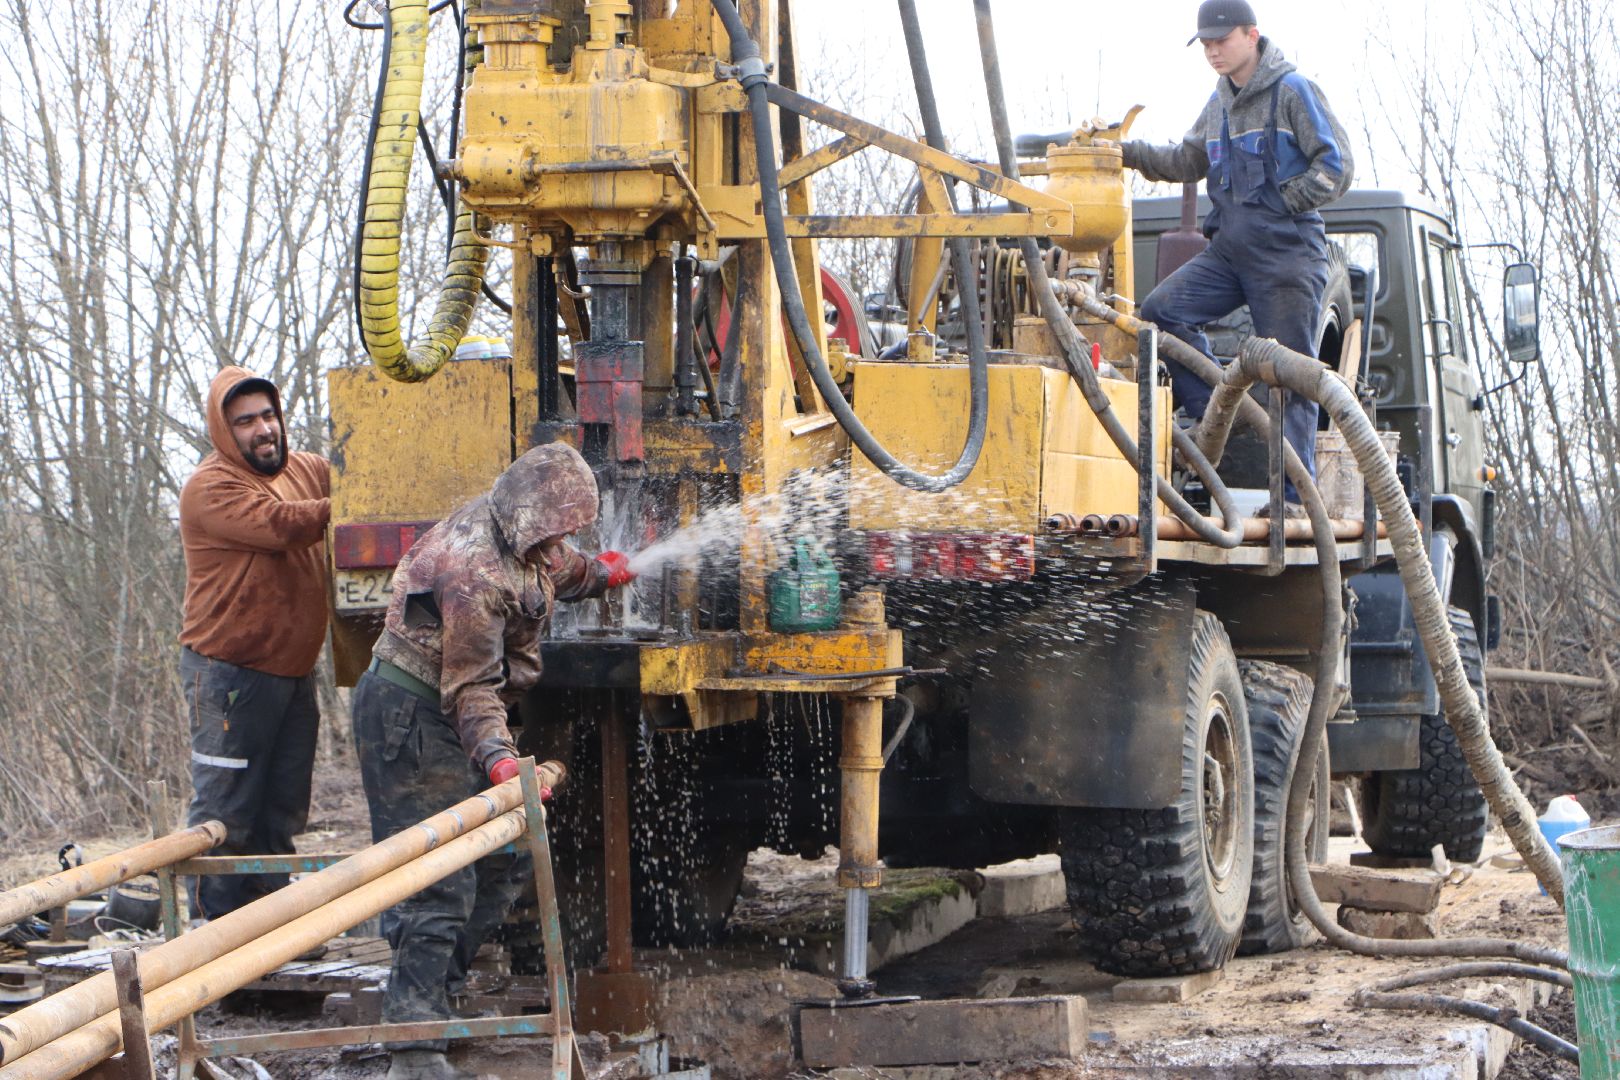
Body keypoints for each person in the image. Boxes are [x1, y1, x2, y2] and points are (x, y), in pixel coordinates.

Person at [352, 442, 633, 1080]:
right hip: (412, 714)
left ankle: (432, 998)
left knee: (504, 861)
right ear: (532, 519)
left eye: (570, 535)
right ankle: (414, 1050)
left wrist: (602, 573)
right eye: (558, 533)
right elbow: (471, 689)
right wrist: (502, 763)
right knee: (439, 877)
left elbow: (556, 570)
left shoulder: (525, 535)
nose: (562, 545)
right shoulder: (473, 568)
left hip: (451, 713)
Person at [1122, 0, 1353, 508]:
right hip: (1230, 252)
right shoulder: (1220, 100)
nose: (1211, 51)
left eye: (1220, 41)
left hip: (1288, 255)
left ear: (1252, 36)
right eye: (1204, 43)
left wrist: (1282, 203)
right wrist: (1126, 153)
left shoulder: (1294, 92)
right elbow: (1187, 160)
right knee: (1162, 314)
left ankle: (1294, 497)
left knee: (1287, 375)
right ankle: (1221, 414)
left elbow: (1338, 168)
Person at [178, 367, 331, 919]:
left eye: (268, 416)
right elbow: (283, 525)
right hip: (228, 675)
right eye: (246, 422)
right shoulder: (212, 487)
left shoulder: (307, 470)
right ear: (225, 432)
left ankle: (270, 937)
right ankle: (212, 953)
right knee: (226, 815)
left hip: (291, 673)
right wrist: (350, 506)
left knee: (282, 812)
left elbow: (355, 483)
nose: (263, 429)